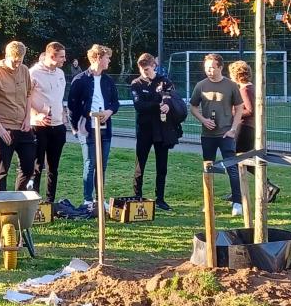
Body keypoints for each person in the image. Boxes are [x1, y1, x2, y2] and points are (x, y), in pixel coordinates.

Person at [189, 54, 244, 216]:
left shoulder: (231, 85)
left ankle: (237, 202)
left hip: (226, 134)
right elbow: (193, 107)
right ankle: (208, 202)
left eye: (212, 68)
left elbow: (240, 108)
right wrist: (203, 120)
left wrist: (233, 128)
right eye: (206, 68)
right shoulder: (200, 85)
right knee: (208, 169)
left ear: (220, 67)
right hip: (207, 135)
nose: (209, 71)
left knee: (231, 168)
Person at [130, 53, 185, 211]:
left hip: (162, 130)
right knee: (140, 165)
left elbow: (169, 97)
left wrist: (166, 104)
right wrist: (157, 104)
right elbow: (139, 106)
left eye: (147, 69)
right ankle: (137, 196)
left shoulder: (164, 81)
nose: (144, 72)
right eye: (141, 69)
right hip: (144, 130)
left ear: (153, 66)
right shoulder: (136, 83)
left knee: (162, 166)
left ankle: (160, 198)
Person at [68, 44, 120, 210]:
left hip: (105, 128)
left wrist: (109, 111)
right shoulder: (80, 80)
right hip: (87, 128)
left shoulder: (108, 80)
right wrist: (75, 128)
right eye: (107, 57)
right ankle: (87, 200)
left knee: (102, 165)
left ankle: (100, 199)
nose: (109, 60)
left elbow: (115, 102)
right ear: (98, 58)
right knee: (90, 163)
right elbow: (72, 106)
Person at [0, 41, 35, 191]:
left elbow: (28, 94)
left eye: (20, 61)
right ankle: (2, 206)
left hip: (23, 126)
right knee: (2, 170)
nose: (17, 64)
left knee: (28, 167)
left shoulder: (24, 70)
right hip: (4, 127)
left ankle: (19, 198)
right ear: (6, 56)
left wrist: (27, 118)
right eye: (14, 61)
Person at [229, 60, 280, 203]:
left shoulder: (245, 89)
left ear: (236, 74)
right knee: (241, 160)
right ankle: (247, 189)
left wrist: (233, 111)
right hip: (250, 128)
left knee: (236, 158)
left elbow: (250, 110)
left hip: (245, 127)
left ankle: (265, 186)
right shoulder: (250, 87)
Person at [29, 42, 67, 203]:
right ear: (52, 56)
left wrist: (63, 113)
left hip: (58, 126)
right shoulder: (33, 73)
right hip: (39, 126)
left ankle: (49, 201)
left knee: (53, 167)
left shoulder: (60, 73)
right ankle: (34, 201)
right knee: (37, 166)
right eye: (62, 57)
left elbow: (58, 97)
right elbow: (25, 99)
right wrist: (35, 115)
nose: (64, 60)